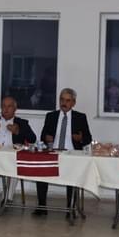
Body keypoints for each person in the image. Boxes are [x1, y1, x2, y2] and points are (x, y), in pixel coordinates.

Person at [39, 88, 92, 216]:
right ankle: (41, 206)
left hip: (72, 154)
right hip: (53, 152)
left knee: (72, 176)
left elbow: (88, 138)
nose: (64, 103)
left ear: (73, 103)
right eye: (62, 100)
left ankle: (70, 208)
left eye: (68, 100)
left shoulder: (80, 117)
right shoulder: (51, 116)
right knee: (40, 171)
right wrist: (46, 138)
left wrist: (80, 139)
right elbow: (42, 136)